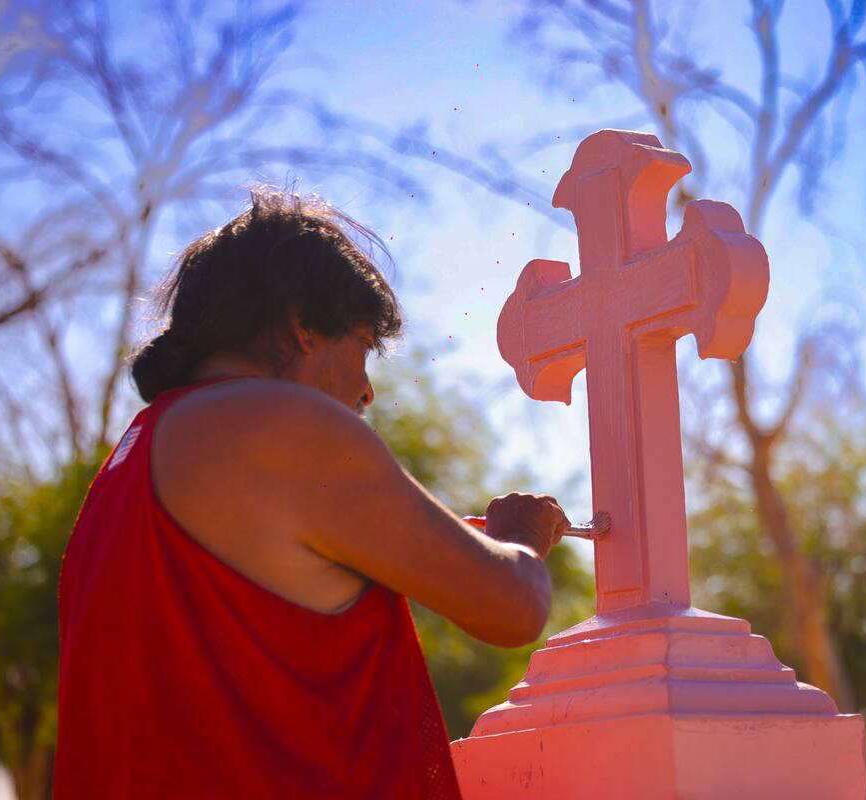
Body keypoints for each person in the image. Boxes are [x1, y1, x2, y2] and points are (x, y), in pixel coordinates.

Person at [53, 190, 571, 799]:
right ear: (304, 327)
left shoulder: (131, 456)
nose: (368, 390)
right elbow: (511, 607)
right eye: (363, 345)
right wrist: (521, 540)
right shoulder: (284, 420)